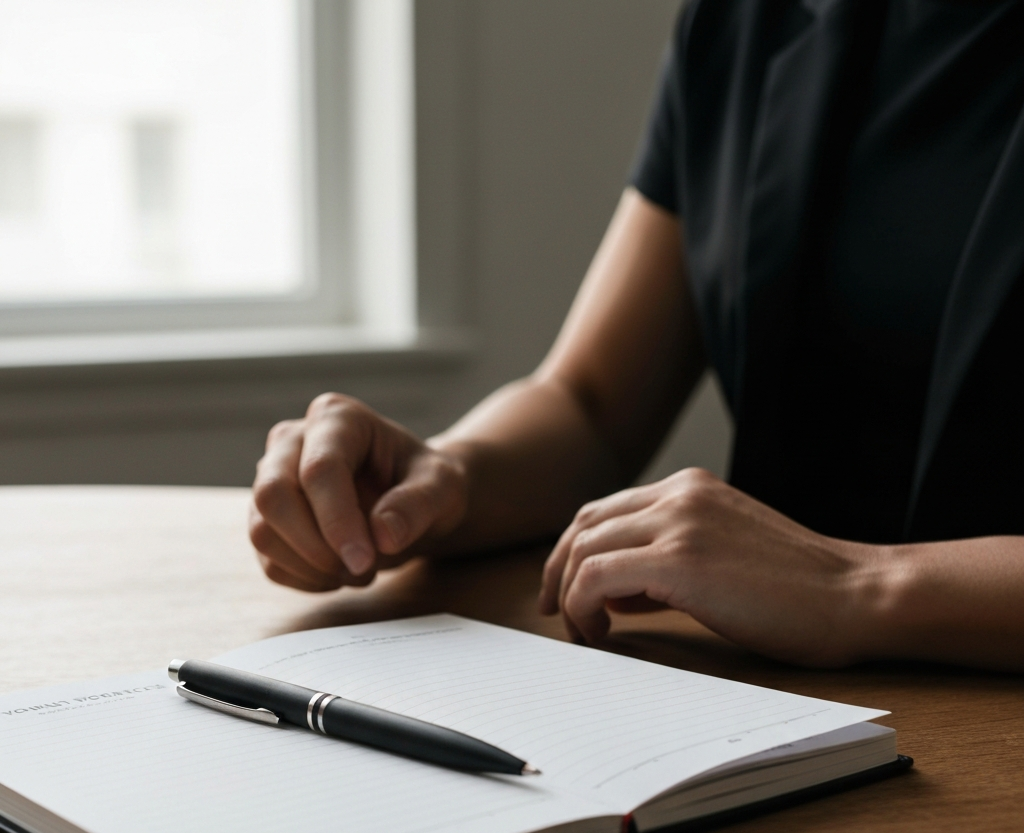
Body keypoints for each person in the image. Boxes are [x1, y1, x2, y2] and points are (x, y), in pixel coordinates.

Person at [249, 0, 1024, 671]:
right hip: (775, 709)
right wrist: (444, 477)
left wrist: (854, 588)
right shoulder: (745, 22)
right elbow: (589, 403)